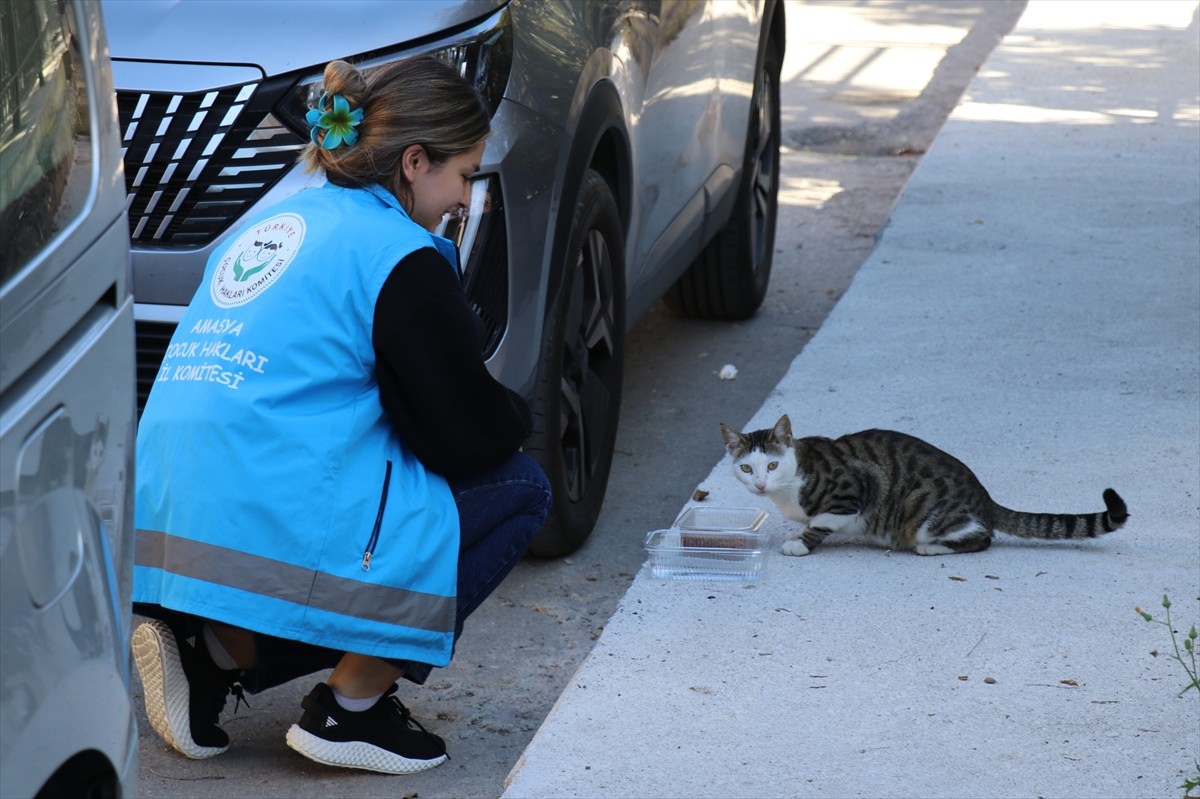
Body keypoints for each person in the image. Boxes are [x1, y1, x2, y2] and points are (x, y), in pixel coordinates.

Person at [131, 55, 552, 776]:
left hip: (166, 518)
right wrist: (519, 411)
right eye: (463, 173)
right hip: (264, 502)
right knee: (517, 490)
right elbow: (463, 434)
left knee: (366, 479)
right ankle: (350, 707)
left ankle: (216, 647)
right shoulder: (399, 253)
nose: (463, 199)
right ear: (415, 162)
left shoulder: (279, 218)